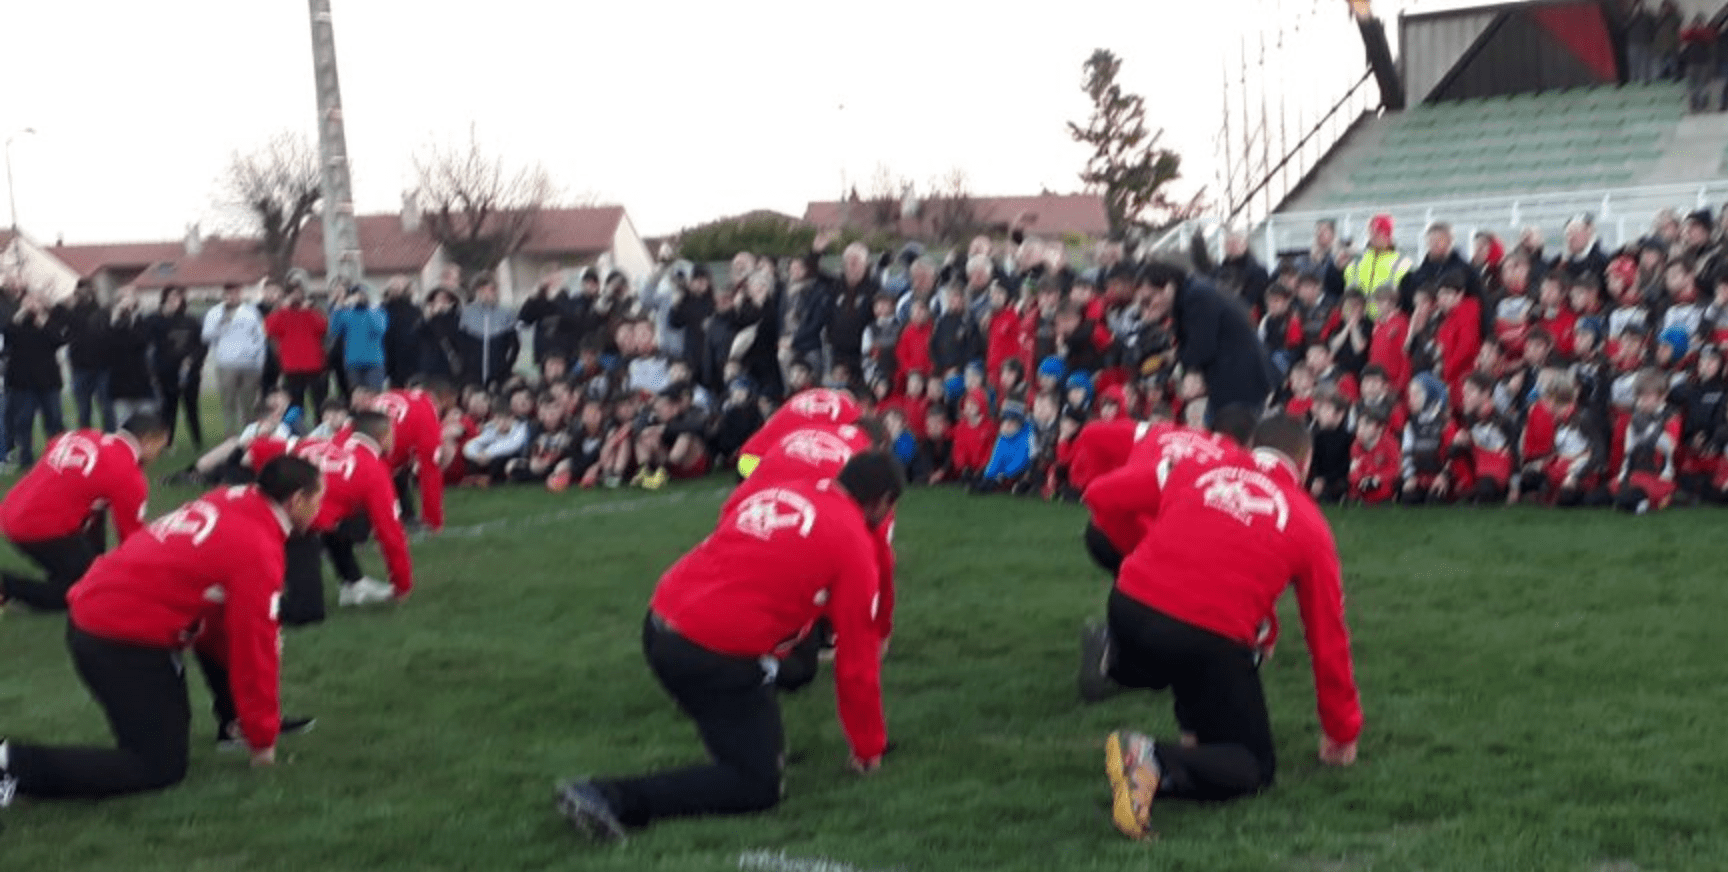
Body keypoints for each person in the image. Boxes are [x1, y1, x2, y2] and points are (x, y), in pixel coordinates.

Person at [554, 451, 902, 842]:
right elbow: (857, 662)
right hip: (711, 653)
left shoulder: (785, 487)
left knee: (789, 666)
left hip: (660, 620)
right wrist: (868, 746)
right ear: (883, 501)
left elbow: (735, 512)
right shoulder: (854, 545)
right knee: (757, 785)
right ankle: (610, 796)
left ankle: (755, 716)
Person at [1082, 416, 1361, 840]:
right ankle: (1152, 759)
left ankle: (1124, 668)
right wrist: (1341, 730)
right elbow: (1327, 636)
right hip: (1204, 634)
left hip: (1128, 607)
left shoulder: (1192, 469)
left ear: (1249, 447)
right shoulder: (1309, 523)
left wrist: (1137, 559)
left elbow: (1100, 494)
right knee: (1253, 766)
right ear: (1305, 466)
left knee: (1197, 657)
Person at [0, 456, 325, 803]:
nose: (321, 509)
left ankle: (231, 726)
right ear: (296, 501)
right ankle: (13, 762)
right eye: (318, 499)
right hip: (117, 636)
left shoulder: (234, 498)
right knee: (157, 768)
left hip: (107, 613)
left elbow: (219, 623)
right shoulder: (257, 549)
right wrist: (263, 743)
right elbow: (254, 649)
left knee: (163, 738)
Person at [0, 414, 170, 611]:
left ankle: (84, 569)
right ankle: (7, 587)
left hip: (11, 509)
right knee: (85, 593)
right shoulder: (128, 474)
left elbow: (53, 446)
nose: (159, 453)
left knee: (95, 511)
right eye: (160, 447)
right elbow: (131, 535)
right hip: (38, 528)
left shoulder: (84, 435)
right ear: (148, 441)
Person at [279, 411, 412, 625]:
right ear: (383, 436)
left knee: (349, 520)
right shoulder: (373, 470)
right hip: (284, 526)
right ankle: (240, 602)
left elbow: (262, 450)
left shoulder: (319, 443)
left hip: (266, 511)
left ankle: (352, 582)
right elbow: (390, 533)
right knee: (306, 613)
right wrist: (402, 584)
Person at [1139, 262, 1278, 412]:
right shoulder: (1190, 292)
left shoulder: (1196, 296)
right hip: (1230, 380)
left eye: (1148, 300)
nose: (1147, 307)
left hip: (1240, 380)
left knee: (1232, 431)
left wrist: (1183, 364)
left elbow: (1202, 348)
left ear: (1167, 288)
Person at [202, 283, 268, 439]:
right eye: (229, 294)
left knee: (248, 402)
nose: (232, 296)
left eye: (236, 293)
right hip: (226, 364)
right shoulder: (215, 312)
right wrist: (221, 323)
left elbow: (260, 336)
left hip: (249, 364)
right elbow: (206, 336)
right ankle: (230, 435)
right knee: (228, 402)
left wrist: (259, 360)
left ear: (240, 293)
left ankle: (249, 434)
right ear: (224, 295)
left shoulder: (251, 311)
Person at [147, 285, 206, 450]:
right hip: (166, 372)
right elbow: (148, 336)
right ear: (164, 300)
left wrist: (192, 360)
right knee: (168, 410)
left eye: (177, 297)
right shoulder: (157, 320)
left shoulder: (191, 320)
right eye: (170, 298)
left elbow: (201, 345)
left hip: (189, 372)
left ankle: (197, 442)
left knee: (191, 408)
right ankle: (167, 443)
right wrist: (162, 315)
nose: (174, 301)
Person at [264, 283, 330, 417]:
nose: (296, 297)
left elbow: (323, 327)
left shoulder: (311, 312)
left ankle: (321, 430)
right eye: (292, 294)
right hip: (292, 366)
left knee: (319, 402)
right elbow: (269, 328)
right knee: (295, 403)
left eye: (299, 293)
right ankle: (297, 431)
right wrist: (280, 308)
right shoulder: (282, 314)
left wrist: (310, 310)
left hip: (314, 365)